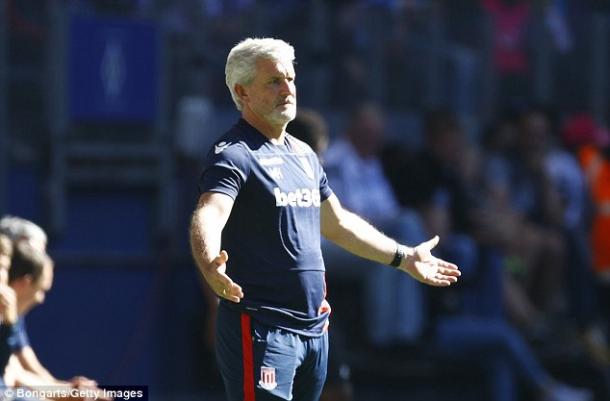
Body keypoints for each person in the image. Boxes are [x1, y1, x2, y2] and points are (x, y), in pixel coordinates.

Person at [189, 37, 461, 401]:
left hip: (315, 330)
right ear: (242, 92)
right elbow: (209, 213)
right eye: (274, 81)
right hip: (263, 329)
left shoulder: (303, 154)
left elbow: (338, 224)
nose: (288, 89)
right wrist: (209, 263)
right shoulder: (234, 154)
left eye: (290, 79)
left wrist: (403, 257)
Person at [0, 216, 99, 394]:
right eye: (33, 250)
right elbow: (11, 373)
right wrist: (63, 392)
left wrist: (62, 388)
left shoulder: (9, 306)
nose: (39, 257)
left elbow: (20, 360)